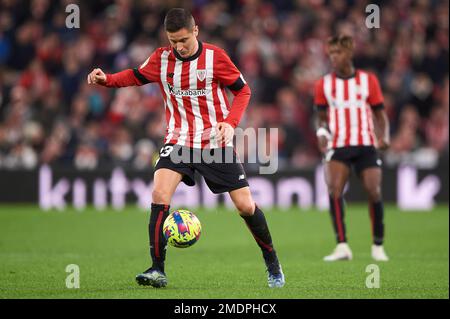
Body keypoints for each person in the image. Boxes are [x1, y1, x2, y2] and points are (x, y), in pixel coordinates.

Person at [87, 8, 285, 288]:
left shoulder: (216, 57)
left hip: (214, 143)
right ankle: (157, 269)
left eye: (183, 40)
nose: (178, 47)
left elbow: (243, 90)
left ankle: (272, 262)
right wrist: (107, 80)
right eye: (173, 41)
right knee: (159, 194)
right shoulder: (161, 58)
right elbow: (136, 76)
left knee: (244, 206)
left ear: (196, 31)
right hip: (178, 141)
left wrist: (230, 122)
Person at [314, 35, 390, 262]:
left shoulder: (369, 81)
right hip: (339, 145)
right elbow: (320, 117)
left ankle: (378, 245)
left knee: (373, 190)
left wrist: (383, 136)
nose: (333, 58)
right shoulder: (323, 84)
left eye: (337, 53)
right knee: (335, 190)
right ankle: (342, 246)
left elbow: (380, 114)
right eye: (331, 54)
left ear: (349, 53)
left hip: (366, 144)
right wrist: (321, 133)